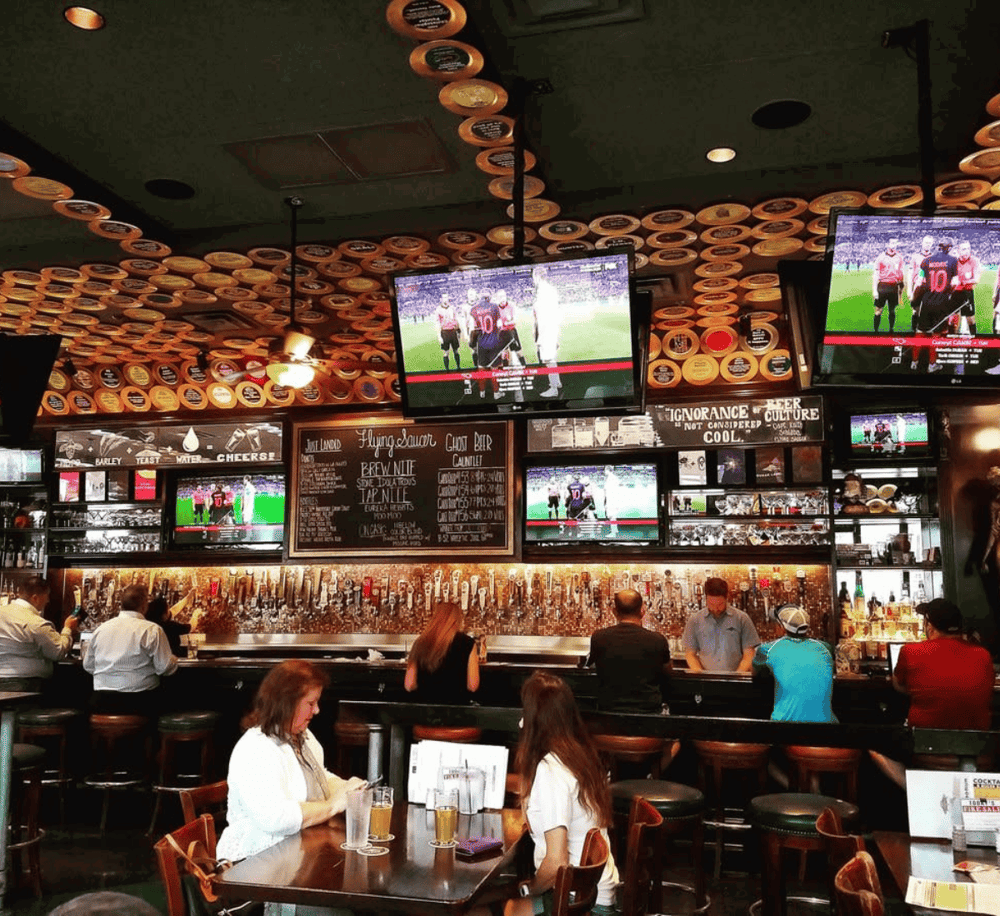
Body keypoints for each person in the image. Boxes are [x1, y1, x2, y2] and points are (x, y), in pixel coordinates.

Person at [216, 660, 365, 910]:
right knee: (339, 902)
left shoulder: (302, 737)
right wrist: (332, 806)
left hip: (296, 856)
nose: (316, 710)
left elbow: (321, 775)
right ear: (286, 702)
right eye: (310, 703)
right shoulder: (256, 748)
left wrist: (347, 788)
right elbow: (277, 818)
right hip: (256, 870)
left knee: (356, 886)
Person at [495, 671, 619, 916]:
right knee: (501, 895)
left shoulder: (551, 771)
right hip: (597, 894)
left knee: (500, 908)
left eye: (525, 713)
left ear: (533, 721)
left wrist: (530, 889)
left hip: (581, 905)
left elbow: (556, 864)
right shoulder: (581, 756)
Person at [870, 599, 994, 789]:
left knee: (874, 745)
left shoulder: (911, 651)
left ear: (929, 626)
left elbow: (898, 686)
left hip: (925, 750)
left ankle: (914, 790)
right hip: (977, 752)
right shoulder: (983, 655)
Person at [83, 583, 178, 715]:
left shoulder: (100, 629)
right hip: (139, 702)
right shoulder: (152, 630)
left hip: (101, 702)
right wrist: (173, 659)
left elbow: (88, 666)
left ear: (122, 605)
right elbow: (164, 668)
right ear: (144, 606)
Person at [588, 588, 673, 714]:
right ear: (642, 611)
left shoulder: (598, 638)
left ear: (614, 612)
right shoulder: (657, 640)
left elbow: (593, 668)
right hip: (648, 713)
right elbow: (667, 674)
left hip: (609, 712)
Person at [752, 605, 836, 723]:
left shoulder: (767, 649)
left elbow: (755, 673)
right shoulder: (825, 647)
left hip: (785, 730)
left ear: (781, 627)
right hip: (827, 729)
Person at [0, 575, 78, 692]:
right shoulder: (36, 623)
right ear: (35, 598)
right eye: (46, 596)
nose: (48, 600)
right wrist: (68, 628)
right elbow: (58, 652)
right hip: (28, 684)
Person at [404, 601, 479, 704]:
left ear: (434, 618)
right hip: (457, 711)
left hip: (425, 712)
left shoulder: (420, 643)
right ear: (458, 620)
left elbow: (409, 685)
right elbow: (473, 686)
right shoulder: (468, 643)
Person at [682, 577, 759, 672]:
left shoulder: (742, 618)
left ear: (727, 598)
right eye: (711, 604)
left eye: (720, 604)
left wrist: (738, 676)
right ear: (705, 598)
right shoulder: (695, 620)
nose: (715, 608)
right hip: (706, 680)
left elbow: (749, 653)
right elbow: (690, 653)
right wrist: (699, 673)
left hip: (736, 678)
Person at [914, 237, 959, 373]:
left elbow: (919, 282)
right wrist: (947, 292)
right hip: (942, 302)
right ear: (949, 247)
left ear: (938, 247)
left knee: (920, 331)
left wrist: (915, 300)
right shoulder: (953, 261)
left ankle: (914, 362)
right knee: (936, 335)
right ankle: (932, 364)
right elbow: (955, 283)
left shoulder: (926, 261)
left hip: (927, 301)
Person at [531, 264, 562, 398]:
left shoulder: (543, 291)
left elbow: (543, 317)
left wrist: (539, 337)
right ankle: (557, 383)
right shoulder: (550, 289)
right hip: (552, 328)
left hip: (547, 330)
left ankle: (554, 388)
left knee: (548, 359)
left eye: (533, 276)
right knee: (551, 358)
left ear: (537, 276)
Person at [872, 237, 903, 332]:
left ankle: (891, 329)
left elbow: (901, 273)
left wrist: (901, 288)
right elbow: (876, 274)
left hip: (893, 286)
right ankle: (876, 331)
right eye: (892, 243)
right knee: (878, 311)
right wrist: (874, 290)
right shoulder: (880, 257)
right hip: (882, 286)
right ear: (888, 244)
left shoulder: (899, 258)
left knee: (892, 310)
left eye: (895, 244)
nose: (893, 245)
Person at [951, 240, 981, 336]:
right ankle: (952, 342)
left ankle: (974, 341)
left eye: (968, 248)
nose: (967, 251)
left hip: (967, 293)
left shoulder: (974, 261)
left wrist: (963, 282)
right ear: (958, 250)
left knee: (971, 319)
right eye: (964, 249)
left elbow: (976, 279)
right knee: (954, 320)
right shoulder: (954, 261)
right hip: (955, 293)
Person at [435, 292, 463, 371]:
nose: (445, 299)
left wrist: (458, 331)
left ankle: (458, 367)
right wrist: (439, 336)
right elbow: (437, 323)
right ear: (441, 299)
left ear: (448, 298)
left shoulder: (452, 308)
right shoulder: (438, 310)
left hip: (453, 332)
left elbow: (456, 320)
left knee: (456, 351)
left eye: (446, 297)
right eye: (444, 297)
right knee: (446, 352)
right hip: (445, 332)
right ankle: (447, 370)